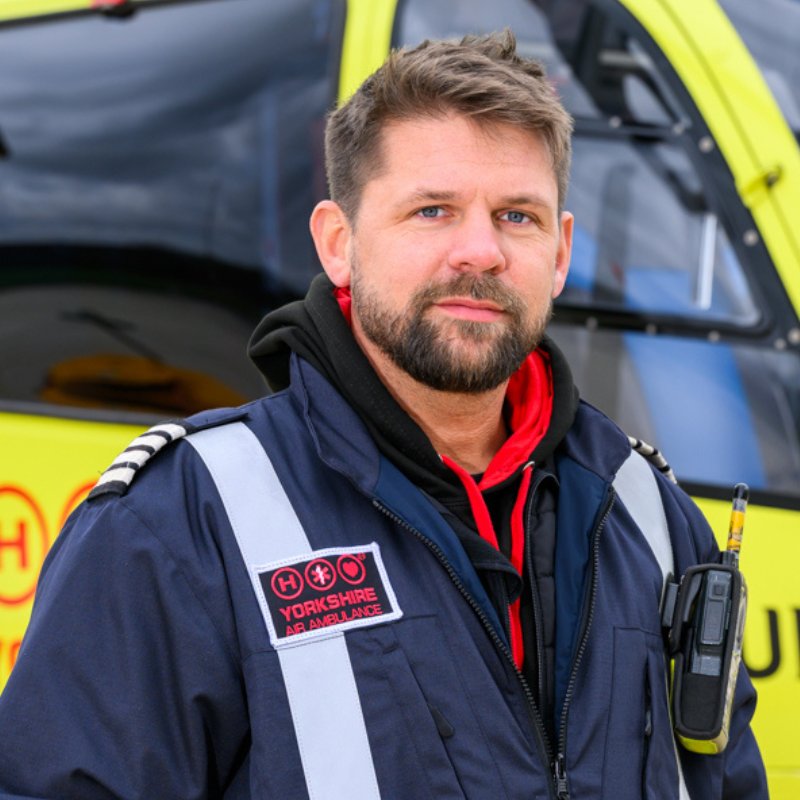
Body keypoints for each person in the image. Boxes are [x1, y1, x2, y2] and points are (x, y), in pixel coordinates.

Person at [0, 31, 767, 800]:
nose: (481, 251)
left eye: (518, 217)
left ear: (561, 255)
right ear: (339, 243)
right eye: (433, 210)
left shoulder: (647, 512)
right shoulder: (180, 524)